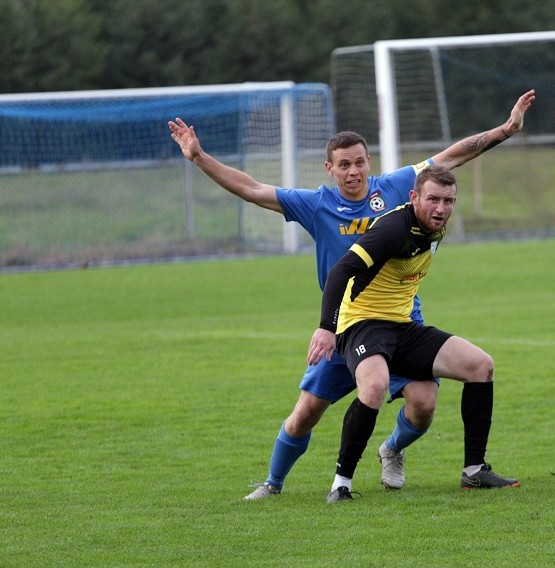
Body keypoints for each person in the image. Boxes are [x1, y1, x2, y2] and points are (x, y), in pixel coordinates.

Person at [167, 89, 535, 500]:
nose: (353, 171)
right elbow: (252, 188)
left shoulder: (397, 188)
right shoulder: (314, 204)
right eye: (344, 165)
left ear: (369, 163)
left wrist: (505, 129)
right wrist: (199, 157)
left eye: (359, 162)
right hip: (346, 325)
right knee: (305, 413)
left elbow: (451, 157)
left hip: (400, 321)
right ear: (330, 169)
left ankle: (392, 449)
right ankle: (273, 483)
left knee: (424, 402)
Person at [309, 165, 519, 503]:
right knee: (374, 387)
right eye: (433, 199)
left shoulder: (435, 228)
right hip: (362, 323)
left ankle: (474, 471)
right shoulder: (393, 227)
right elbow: (341, 270)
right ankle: (341, 484)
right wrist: (326, 327)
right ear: (414, 198)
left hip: (402, 326)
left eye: (449, 201)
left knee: (479, 367)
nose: (441, 208)